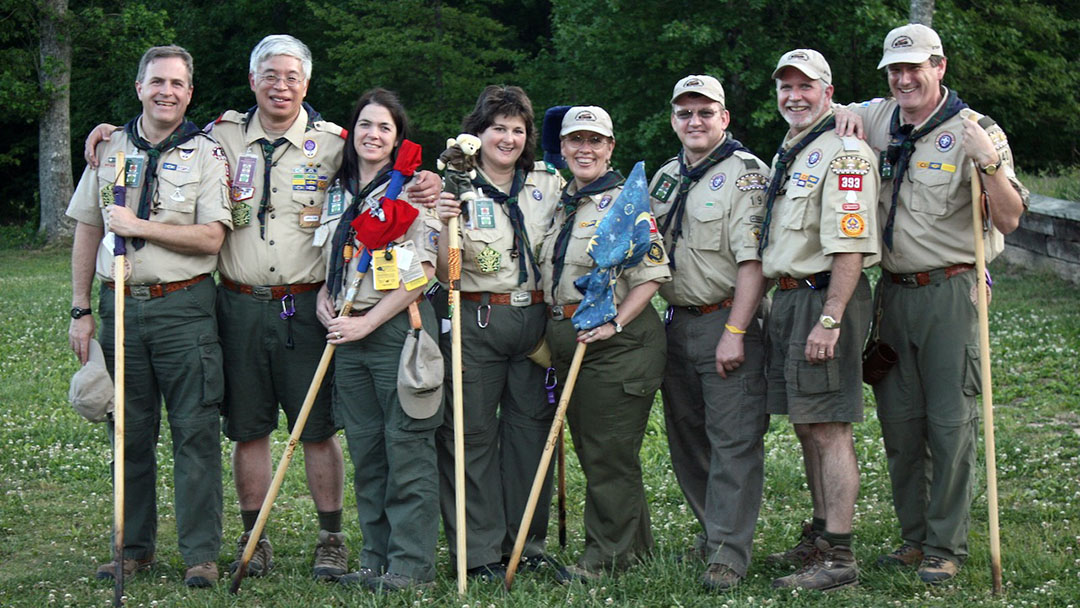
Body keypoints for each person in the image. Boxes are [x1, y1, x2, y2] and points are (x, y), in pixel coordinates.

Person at [82, 36, 442, 581]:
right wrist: (105, 132)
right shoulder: (218, 137)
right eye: (270, 75)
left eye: (292, 76)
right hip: (237, 302)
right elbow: (158, 128)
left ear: (307, 83)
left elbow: (384, 165)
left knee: (316, 427)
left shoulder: (336, 144)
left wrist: (427, 181)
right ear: (252, 80)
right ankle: (256, 535)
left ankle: (330, 537)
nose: (281, 85)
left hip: (308, 303)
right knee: (247, 427)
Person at [836, 24, 1027, 584]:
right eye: (894, 69)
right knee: (900, 423)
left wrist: (988, 162)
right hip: (893, 294)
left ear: (939, 67)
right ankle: (913, 539)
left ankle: (947, 545)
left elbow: (1011, 218)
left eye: (914, 67)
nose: (904, 78)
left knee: (949, 423)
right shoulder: (880, 115)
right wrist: (845, 115)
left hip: (950, 290)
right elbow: (833, 109)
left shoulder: (976, 129)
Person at [67, 45, 230, 588]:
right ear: (140, 87)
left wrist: (140, 226)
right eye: (157, 81)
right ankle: (131, 548)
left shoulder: (206, 153)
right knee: (128, 434)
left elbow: (212, 237)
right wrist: (81, 310)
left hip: (185, 309)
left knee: (196, 433)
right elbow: (89, 226)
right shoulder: (107, 148)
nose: (167, 91)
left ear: (190, 93)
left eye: (178, 84)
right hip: (120, 311)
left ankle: (200, 554)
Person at [433, 85, 565, 581]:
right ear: (478, 133)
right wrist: (439, 222)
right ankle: (479, 549)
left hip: (534, 323)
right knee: (470, 436)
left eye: (518, 129)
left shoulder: (547, 184)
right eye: (498, 128)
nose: (508, 138)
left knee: (531, 435)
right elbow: (437, 270)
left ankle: (525, 543)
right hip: (475, 319)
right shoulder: (453, 188)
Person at [759, 49, 879, 591]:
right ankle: (821, 537)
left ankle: (841, 559)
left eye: (806, 87)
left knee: (830, 427)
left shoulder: (845, 153)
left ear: (828, 93)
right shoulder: (793, 149)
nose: (794, 96)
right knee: (808, 423)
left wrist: (829, 320)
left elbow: (850, 244)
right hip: (789, 298)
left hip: (824, 298)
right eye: (786, 87)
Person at [316, 87, 443, 594]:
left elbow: (422, 273)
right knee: (368, 451)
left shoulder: (412, 189)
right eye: (366, 125)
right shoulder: (336, 188)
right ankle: (374, 558)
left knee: (406, 449)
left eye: (384, 128)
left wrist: (367, 323)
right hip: (346, 331)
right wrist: (323, 298)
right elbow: (330, 255)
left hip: (396, 329)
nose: (373, 134)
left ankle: (410, 567)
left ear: (397, 138)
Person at [538, 106, 671, 581]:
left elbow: (651, 276)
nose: (585, 149)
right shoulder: (560, 200)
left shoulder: (626, 201)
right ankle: (636, 548)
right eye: (576, 140)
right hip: (569, 342)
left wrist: (615, 324)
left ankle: (605, 558)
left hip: (618, 346)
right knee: (604, 449)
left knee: (606, 453)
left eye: (595, 140)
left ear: (611, 147)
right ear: (564, 147)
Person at [648, 75, 769, 591]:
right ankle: (711, 530)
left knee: (733, 441)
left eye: (705, 112)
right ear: (674, 120)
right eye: (684, 113)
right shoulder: (664, 176)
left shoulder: (747, 175)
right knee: (688, 440)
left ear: (725, 118)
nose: (694, 122)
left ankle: (728, 553)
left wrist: (736, 330)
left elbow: (754, 261)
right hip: (677, 324)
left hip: (726, 319)